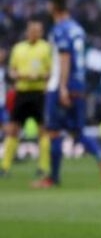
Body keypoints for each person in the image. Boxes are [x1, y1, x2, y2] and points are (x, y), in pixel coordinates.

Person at [35, 0, 101, 188]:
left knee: (53, 132)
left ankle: (53, 178)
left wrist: (61, 86)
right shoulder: (77, 28)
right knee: (78, 132)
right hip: (78, 84)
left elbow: (64, 57)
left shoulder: (59, 29)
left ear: (53, 6)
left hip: (61, 85)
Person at [2, 18, 52, 180]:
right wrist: (20, 75)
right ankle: (4, 166)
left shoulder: (46, 48)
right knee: (13, 129)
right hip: (22, 93)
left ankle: (43, 167)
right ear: (27, 31)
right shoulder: (18, 49)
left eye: (38, 31)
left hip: (39, 93)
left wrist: (40, 76)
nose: (35, 33)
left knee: (43, 130)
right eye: (33, 30)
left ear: (41, 32)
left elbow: (51, 72)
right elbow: (11, 71)